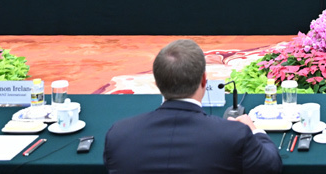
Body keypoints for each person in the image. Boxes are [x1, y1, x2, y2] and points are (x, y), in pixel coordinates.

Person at [104, 39, 282, 174]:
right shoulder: (234, 134)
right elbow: (271, 166)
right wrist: (255, 131)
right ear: (204, 80)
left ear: (157, 83)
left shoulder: (119, 134)